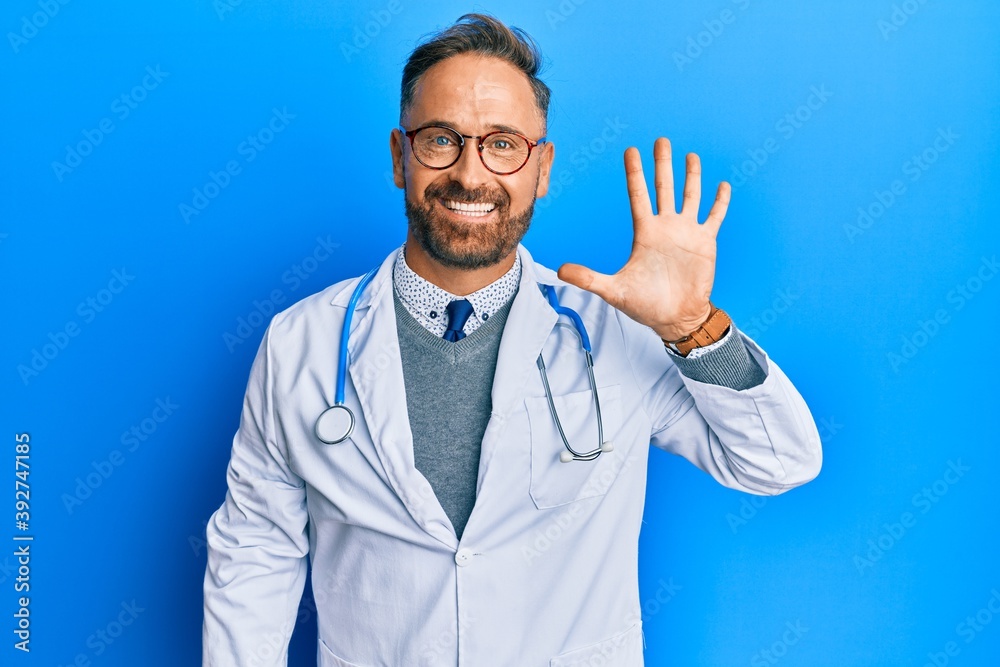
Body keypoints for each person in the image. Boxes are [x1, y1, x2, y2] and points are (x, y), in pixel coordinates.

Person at [202, 13, 822, 667]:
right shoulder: (302, 342)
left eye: (503, 144)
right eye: (442, 139)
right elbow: (254, 552)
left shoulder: (617, 331)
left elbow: (779, 462)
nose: (471, 174)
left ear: (542, 167)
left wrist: (689, 326)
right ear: (399, 156)